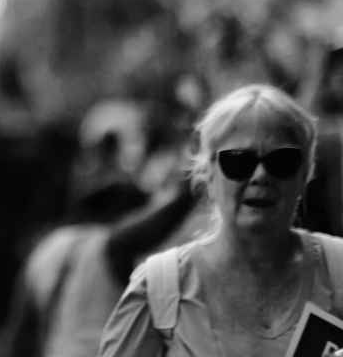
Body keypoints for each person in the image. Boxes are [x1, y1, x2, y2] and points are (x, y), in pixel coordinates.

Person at [98, 84, 343, 356]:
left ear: (305, 175)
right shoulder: (161, 290)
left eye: (281, 161)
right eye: (238, 162)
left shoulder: (338, 269)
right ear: (208, 176)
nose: (261, 175)